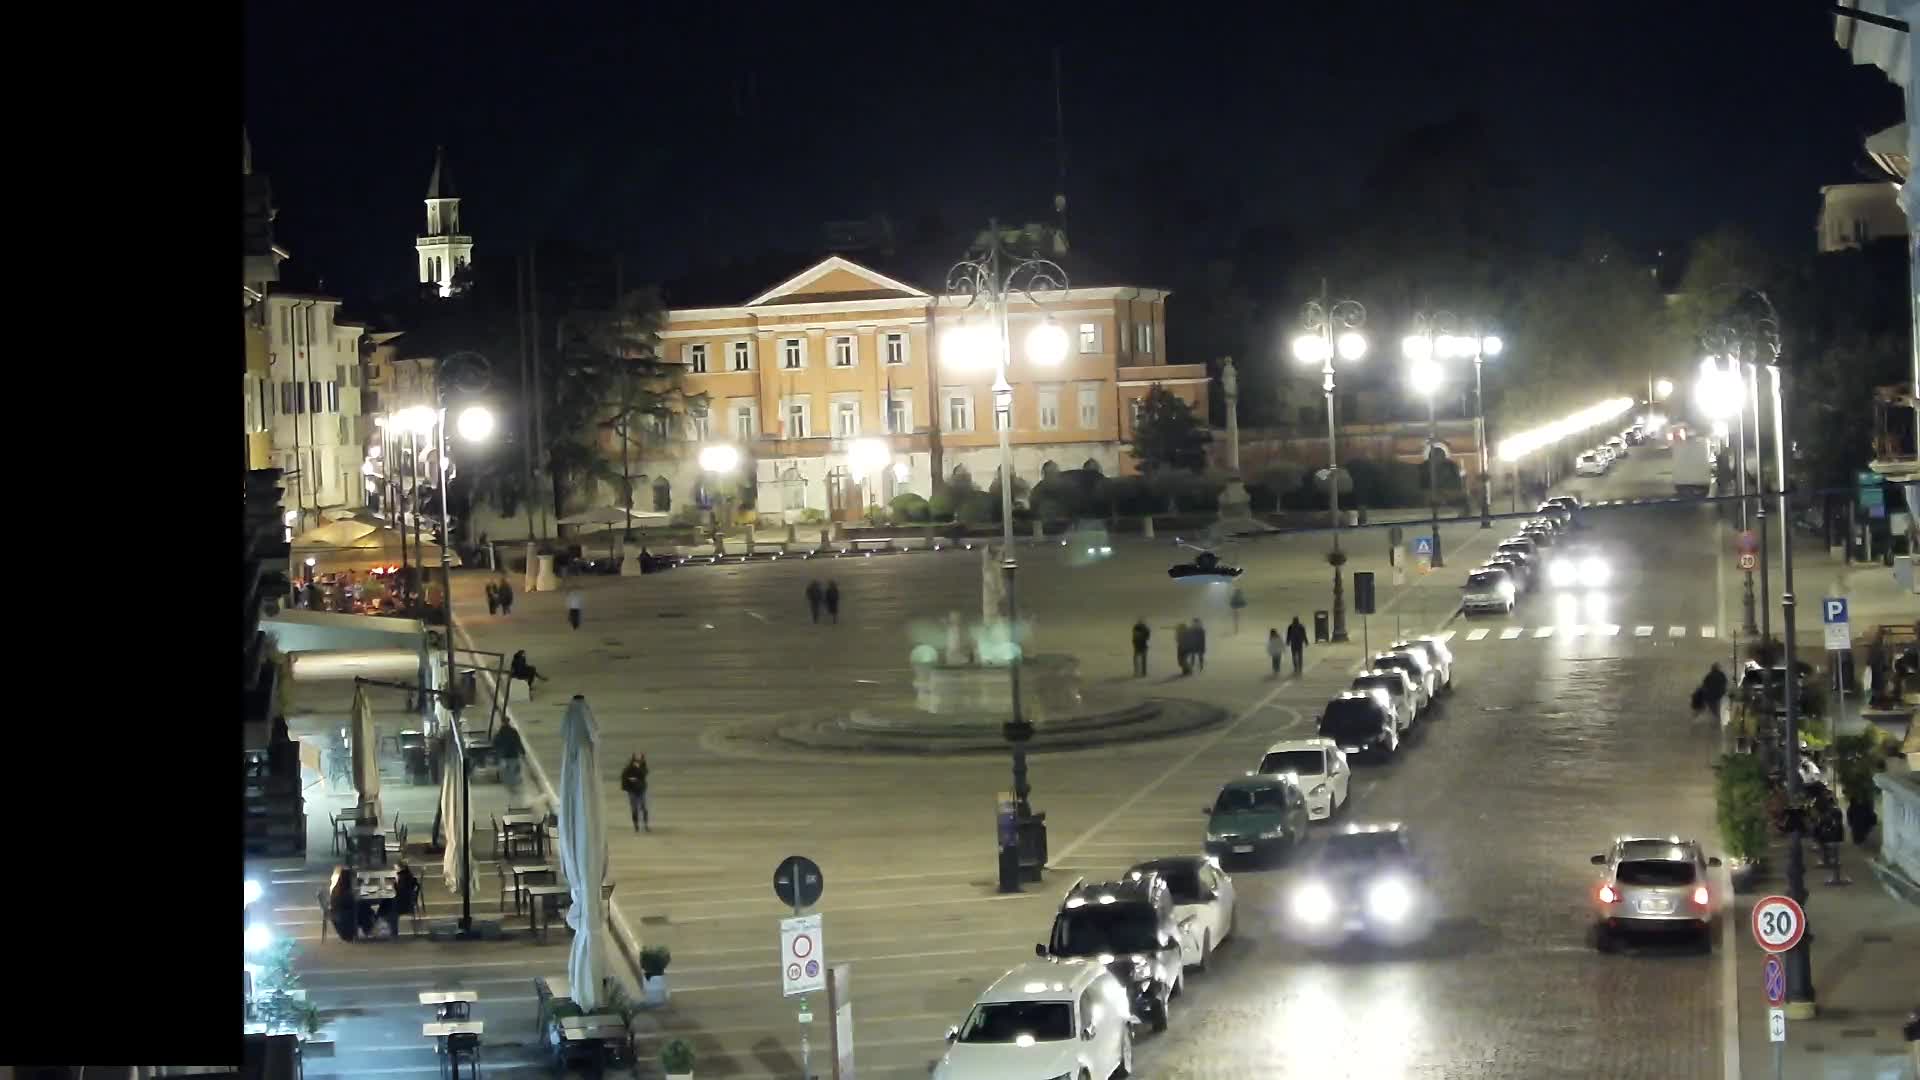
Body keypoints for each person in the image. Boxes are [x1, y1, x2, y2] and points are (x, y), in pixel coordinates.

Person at [379, 862, 419, 937]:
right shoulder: (407, 875)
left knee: (387, 906)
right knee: (385, 902)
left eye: (396, 867)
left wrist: (394, 884)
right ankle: (382, 920)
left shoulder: (403, 877)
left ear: (400, 868)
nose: (394, 869)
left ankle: (390, 930)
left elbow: (400, 890)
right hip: (405, 901)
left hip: (403, 905)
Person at [327, 864, 360, 942]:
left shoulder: (337, 889)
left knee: (362, 907)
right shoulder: (345, 893)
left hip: (339, 921)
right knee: (363, 907)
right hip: (345, 926)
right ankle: (368, 927)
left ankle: (369, 926)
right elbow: (354, 902)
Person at [494, 716, 526, 791]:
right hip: (512, 753)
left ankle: (510, 782)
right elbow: (518, 741)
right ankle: (512, 782)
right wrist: (522, 751)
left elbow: (495, 742)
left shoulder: (500, 732)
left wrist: (497, 751)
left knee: (509, 768)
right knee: (514, 767)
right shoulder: (513, 731)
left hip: (505, 754)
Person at [620, 753, 650, 832]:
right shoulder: (628, 768)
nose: (638, 761)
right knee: (634, 809)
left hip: (641, 790)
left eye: (639, 759)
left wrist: (638, 768)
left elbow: (644, 774)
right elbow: (624, 776)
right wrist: (630, 780)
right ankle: (636, 826)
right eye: (637, 760)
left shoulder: (643, 767)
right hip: (632, 791)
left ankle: (646, 825)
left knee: (644, 808)